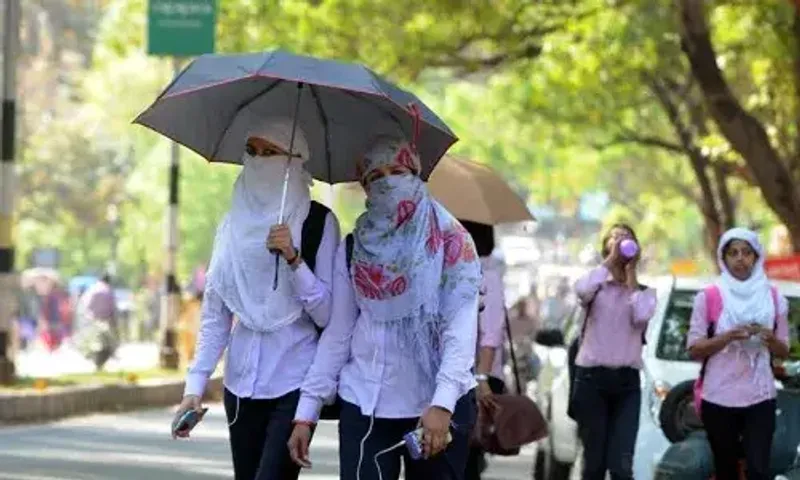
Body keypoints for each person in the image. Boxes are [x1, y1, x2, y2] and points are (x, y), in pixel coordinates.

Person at [287, 136, 482, 480]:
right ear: (364, 188)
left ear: (416, 174)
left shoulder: (451, 242)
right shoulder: (354, 247)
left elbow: (460, 331)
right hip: (365, 402)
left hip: (435, 404)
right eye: (375, 177)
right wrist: (307, 411)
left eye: (397, 171)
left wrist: (442, 403)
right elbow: (339, 332)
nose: (387, 182)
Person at [171, 118, 341, 480]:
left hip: (296, 381)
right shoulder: (231, 225)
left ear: (295, 161)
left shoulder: (319, 223)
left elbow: (328, 315)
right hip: (241, 385)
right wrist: (194, 388)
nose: (260, 160)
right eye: (253, 151)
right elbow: (216, 316)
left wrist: (295, 260)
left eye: (271, 153)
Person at [687, 228, 790, 480]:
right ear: (724, 258)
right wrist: (727, 337)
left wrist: (769, 337)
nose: (740, 258)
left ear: (756, 257)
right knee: (726, 469)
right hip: (719, 397)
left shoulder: (774, 297)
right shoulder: (709, 296)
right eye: (733, 253)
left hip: (760, 396)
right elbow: (694, 348)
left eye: (746, 252)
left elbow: (784, 350)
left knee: (758, 469)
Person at [571, 223, 657, 480]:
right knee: (594, 464)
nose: (621, 242)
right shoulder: (596, 286)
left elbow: (641, 317)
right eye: (615, 238)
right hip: (591, 381)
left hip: (626, 385)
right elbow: (580, 290)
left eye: (627, 239)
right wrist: (609, 262)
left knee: (621, 466)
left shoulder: (645, 293)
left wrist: (630, 277)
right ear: (606, 247)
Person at [461, 220, 507, 480]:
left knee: (465, 458)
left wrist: (482, 379)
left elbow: (491, 333)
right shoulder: (450, 268)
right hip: (458, 378)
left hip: (477, 380)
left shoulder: (487, 275)